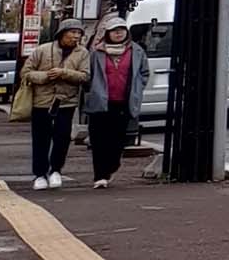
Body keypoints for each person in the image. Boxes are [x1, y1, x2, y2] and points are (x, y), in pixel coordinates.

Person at [17, 20, 91, 192]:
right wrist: (45, 76)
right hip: (41, 101)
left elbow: (85, 76)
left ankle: (56, 170)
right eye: (72, 32)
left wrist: (64, 73)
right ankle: (40, 174)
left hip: (66, 102)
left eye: (78, 33)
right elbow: (25, 73)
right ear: (62, 33)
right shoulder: (42, 50)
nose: (76, 36)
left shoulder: (83, 53)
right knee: (40, 139)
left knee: (62, 137)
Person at [82, 14, 143, 188]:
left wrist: (137, 88)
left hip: (123, 101)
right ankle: (99, 176)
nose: (118, 34)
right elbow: (88, 74)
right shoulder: (97, 52)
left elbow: (143, 73)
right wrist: (92, 90)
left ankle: (111, 166)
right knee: (99, 140)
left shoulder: (136, 51)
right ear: (107, 33)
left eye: (121, 31)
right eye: (114, 31)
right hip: (100, 103)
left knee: (118, 140)